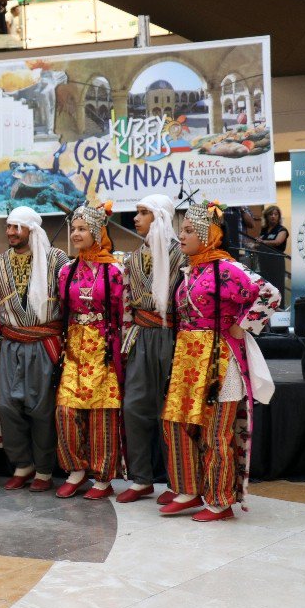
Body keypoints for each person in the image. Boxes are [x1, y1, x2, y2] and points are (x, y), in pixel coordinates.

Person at [160, 200, 280, 522]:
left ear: (207, 234)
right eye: (180, 229)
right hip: (188, 360)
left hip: (219, 361)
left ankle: (219, 500)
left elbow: (269, 294)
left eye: (188, 230)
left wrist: (244, 325)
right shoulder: (191, 269)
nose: (180, 236)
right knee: (176, 423)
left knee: (216, 432)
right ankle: (187, 489)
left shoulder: (227, 268)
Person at [0, 207, 69, 492]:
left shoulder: (56, 260)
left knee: (40, 408)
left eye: (17, 227)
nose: (10, 232)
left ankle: (45, 470)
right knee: (7, 405)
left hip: (43, 343)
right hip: (11, 341)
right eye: (8, 227)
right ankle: (22, 464)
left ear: (32, 230)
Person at [54, 201, 124, 500]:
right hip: (74, 347)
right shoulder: (67, 271)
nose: (76, 234)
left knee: (102, 413)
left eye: (83, 229)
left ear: (97, 231)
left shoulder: (115, 271)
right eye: (74, 229)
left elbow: (122, 313)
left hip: (103, 346)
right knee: (66, 410)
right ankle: (75, 469)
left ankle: (102, 476)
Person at [118, 194, 184, 504]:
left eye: (144, 212)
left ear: (160, 217)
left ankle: (180, 482)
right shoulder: (131, 259)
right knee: (134, 407)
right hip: (142, 336)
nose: (136, 217)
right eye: (137, 212)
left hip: (174, 337)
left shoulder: (181, 255)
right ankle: (141, 479)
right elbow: (127, 303)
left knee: (171, 412)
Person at [255, 205, 288, 298]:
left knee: (277, 286)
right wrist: (255, 245)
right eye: (271, 214)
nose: (273, 216)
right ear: (266, 216)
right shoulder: (264, 230)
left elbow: (277, 242)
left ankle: (279, 307)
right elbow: (258, 243)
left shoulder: (282, 229)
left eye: (276, 214)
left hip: (277, 261)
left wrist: (262, 242)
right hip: (264, 262)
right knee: (266, 286)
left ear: (279, 217)